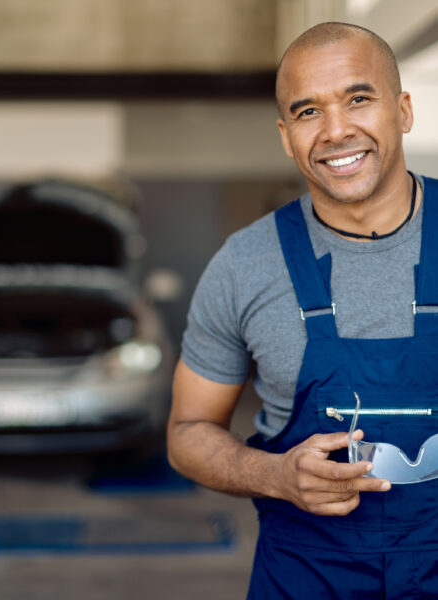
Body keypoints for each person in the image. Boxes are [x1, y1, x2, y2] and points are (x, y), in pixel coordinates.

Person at [167, 21, 438, 598]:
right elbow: (188, 432)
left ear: (404, 109)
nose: (337, 130)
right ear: (287, 136)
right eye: (308, 111)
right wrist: (274, 475)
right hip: (306, 580)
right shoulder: (245, 264)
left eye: (358, 99)